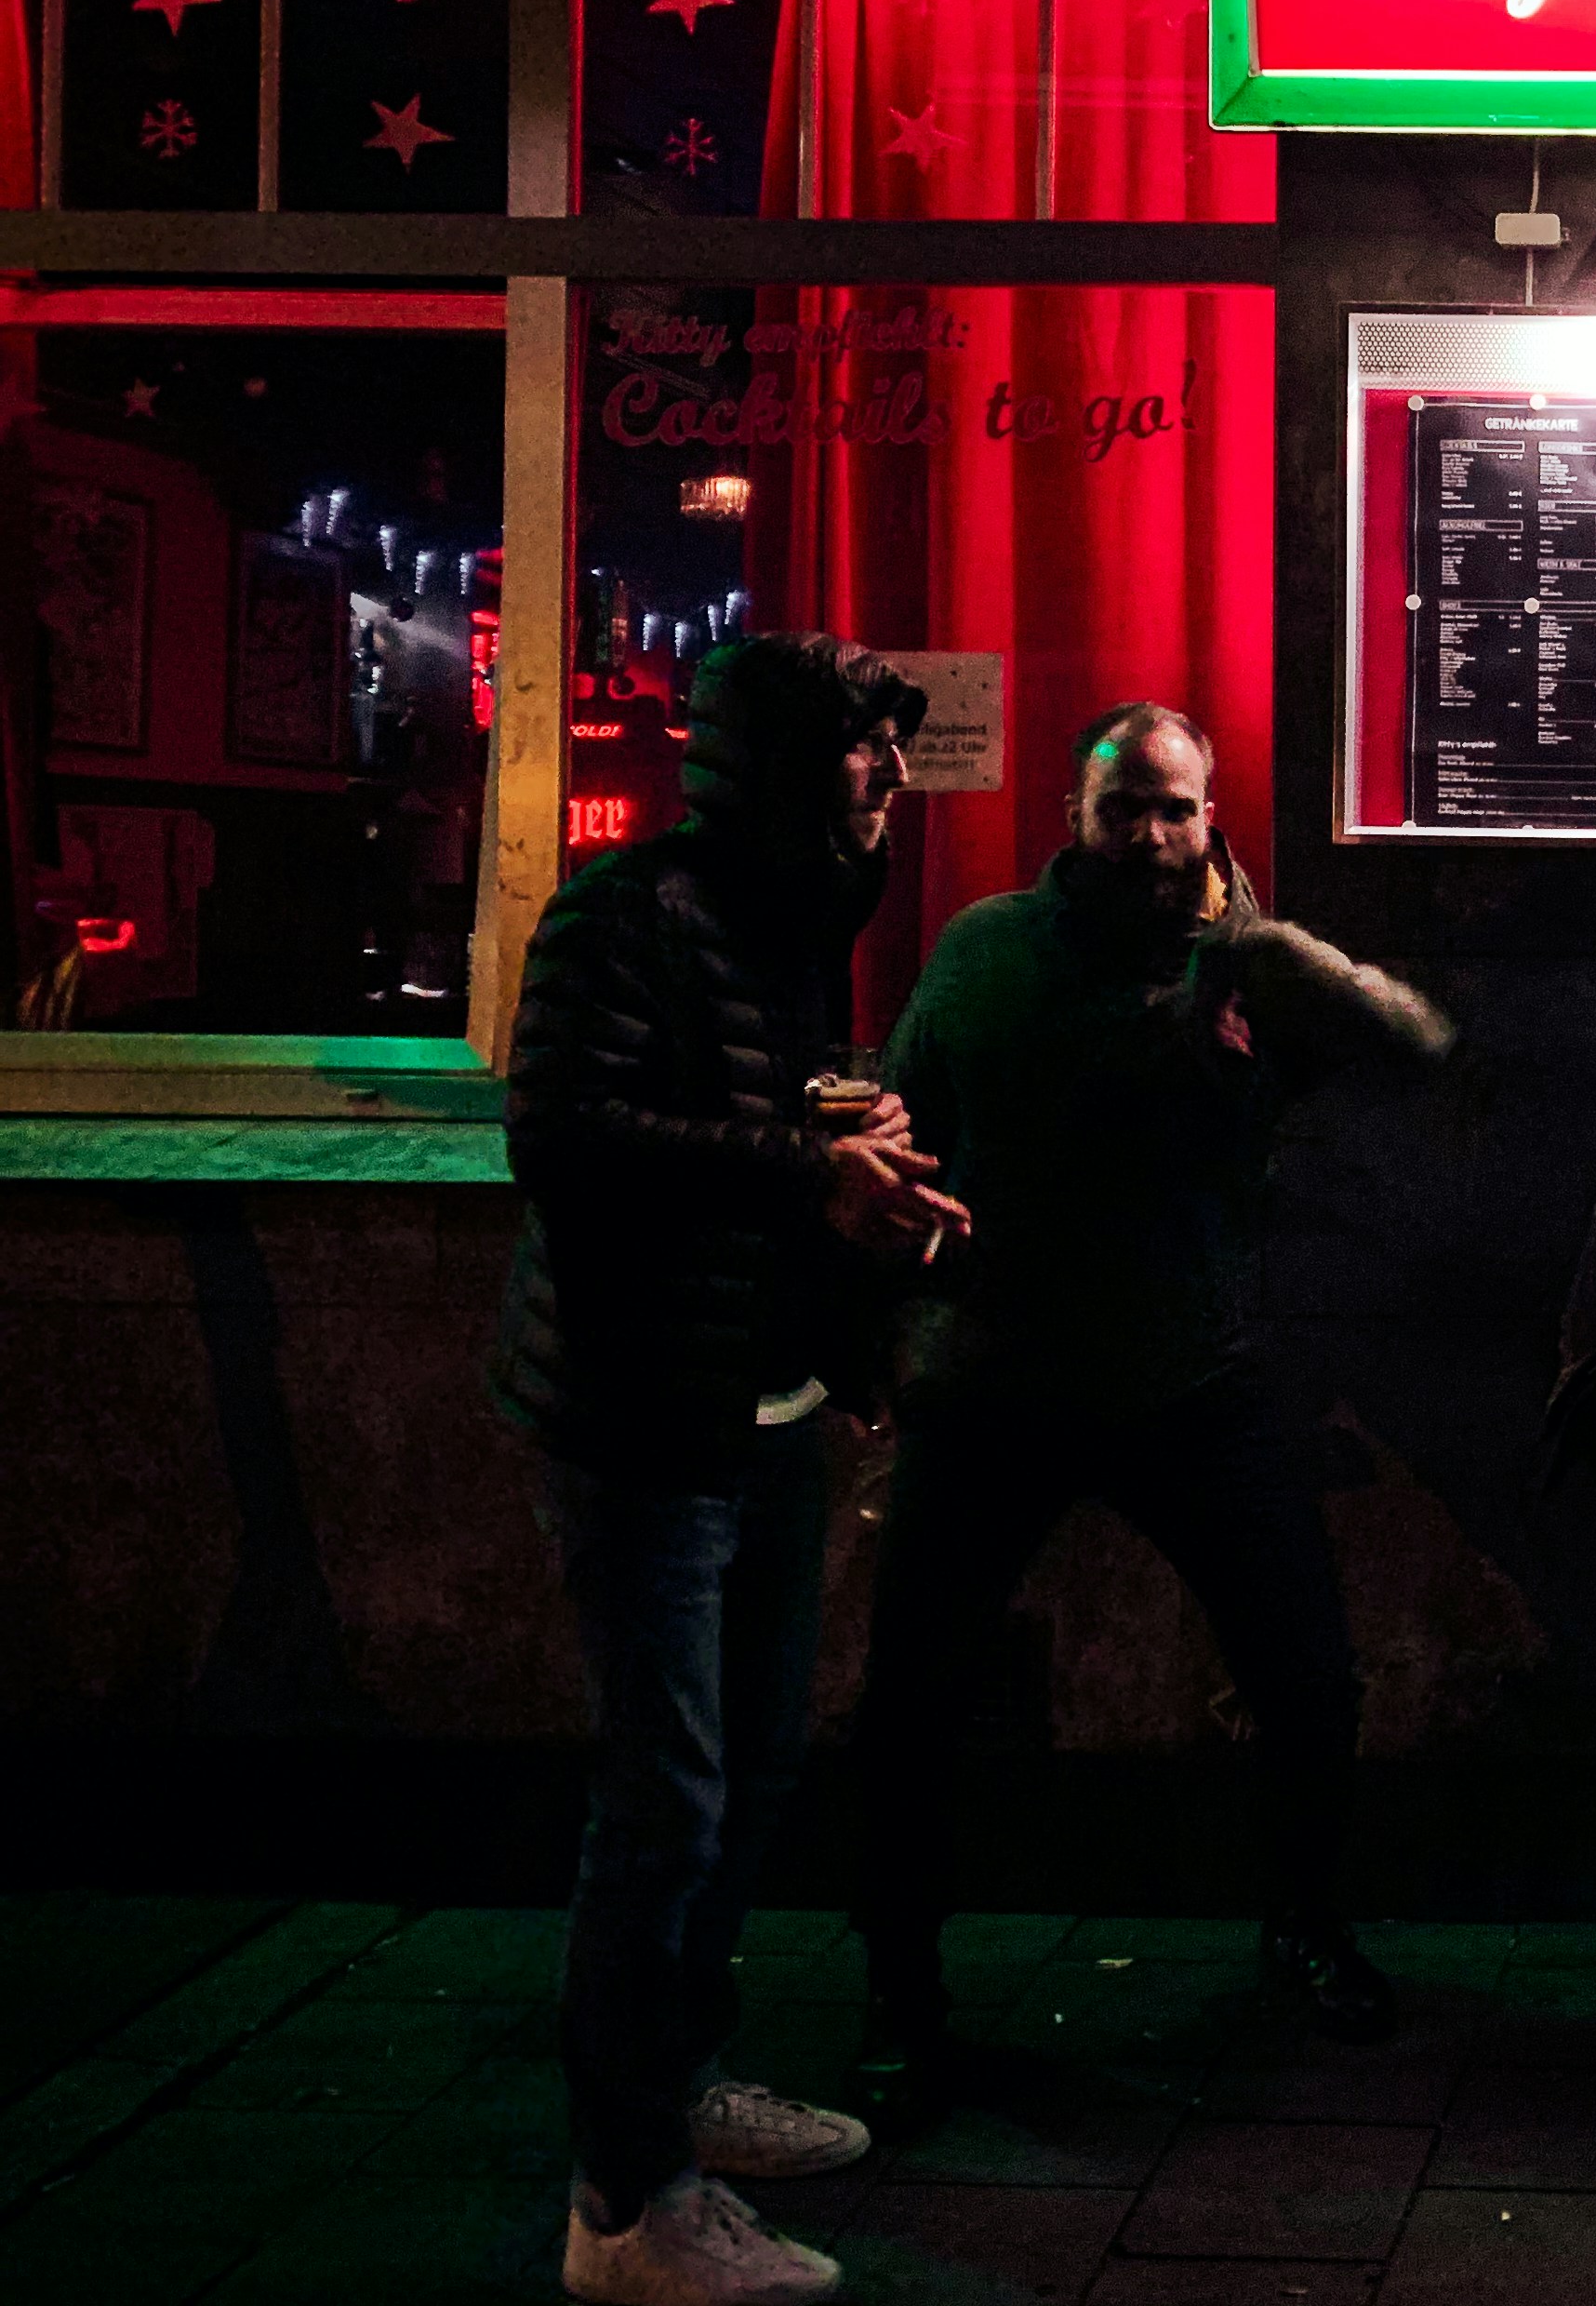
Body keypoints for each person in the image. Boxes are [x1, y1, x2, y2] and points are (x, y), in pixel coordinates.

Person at [851, 702, 1453, 2107]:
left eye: (1179, 810)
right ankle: (899, 1980)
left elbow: (1418, 1048)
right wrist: (884, 1333)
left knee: (1306, 1672)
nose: (1155, 836)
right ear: (1076, 811)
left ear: (1213, 817)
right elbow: (903, 1121)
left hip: (1193, 1375)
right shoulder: (987, 949)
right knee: (912, 1696)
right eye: (1128, 807)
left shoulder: (1242, 968)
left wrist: (1265, 948)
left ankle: (1305, 1927)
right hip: (998, 1373)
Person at [500, 631, 966, 2306]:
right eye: (867, 754)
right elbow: (561, 1140)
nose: (898, 783)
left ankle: (679, 2093)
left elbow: (778, 1155)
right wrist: (807, 1167)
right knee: (667, 1799)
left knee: (750, 1768)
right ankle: (626, 2206)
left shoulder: (786, 917)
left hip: (756, 1409)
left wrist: (852, 1309)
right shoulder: (629, 912)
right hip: (645, 1421)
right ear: (782, 768)